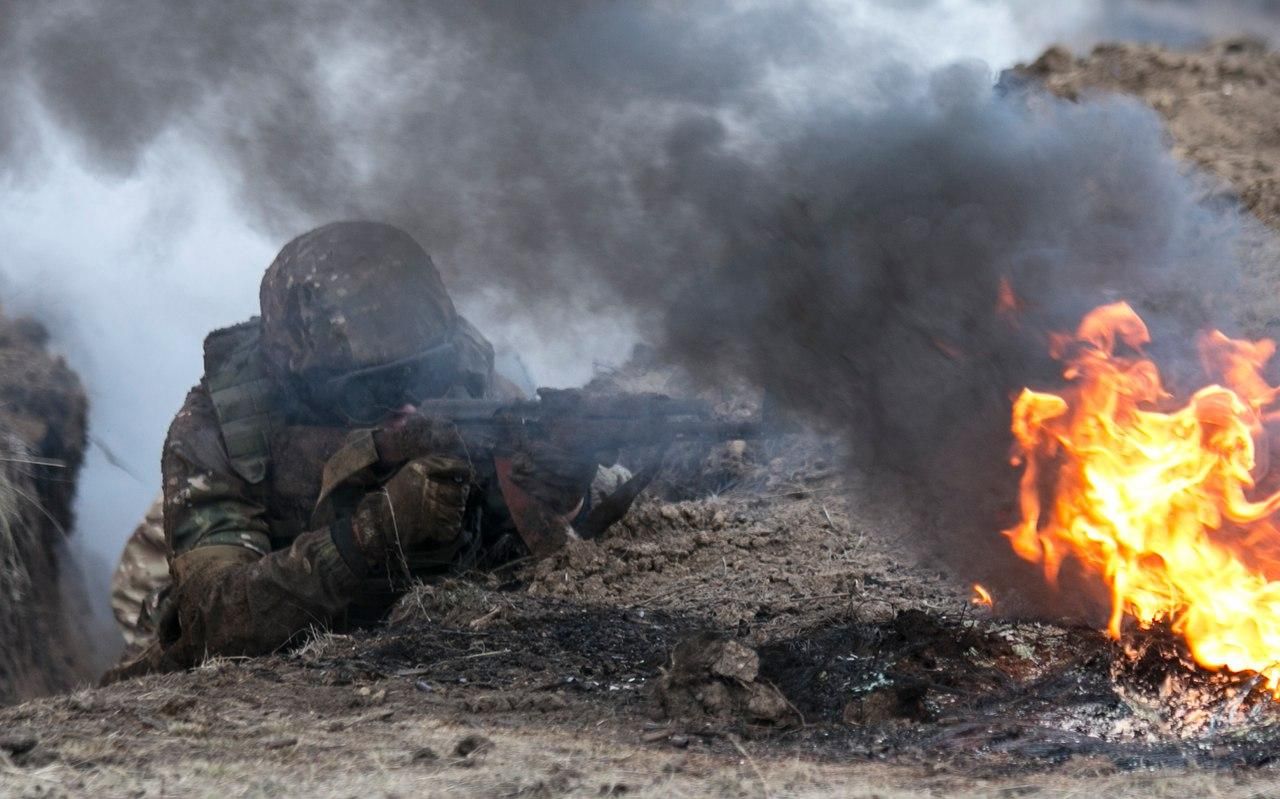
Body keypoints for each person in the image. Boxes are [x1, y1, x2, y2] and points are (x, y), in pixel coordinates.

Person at [107, 221, 627, 680]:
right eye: (373, 390)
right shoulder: (219, 434)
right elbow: (210, 626)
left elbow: (552, 536)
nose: (411, 402)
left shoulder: (467, 381)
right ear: (304, 381)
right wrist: (365, 536)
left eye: (425, 373)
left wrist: (563, 496)